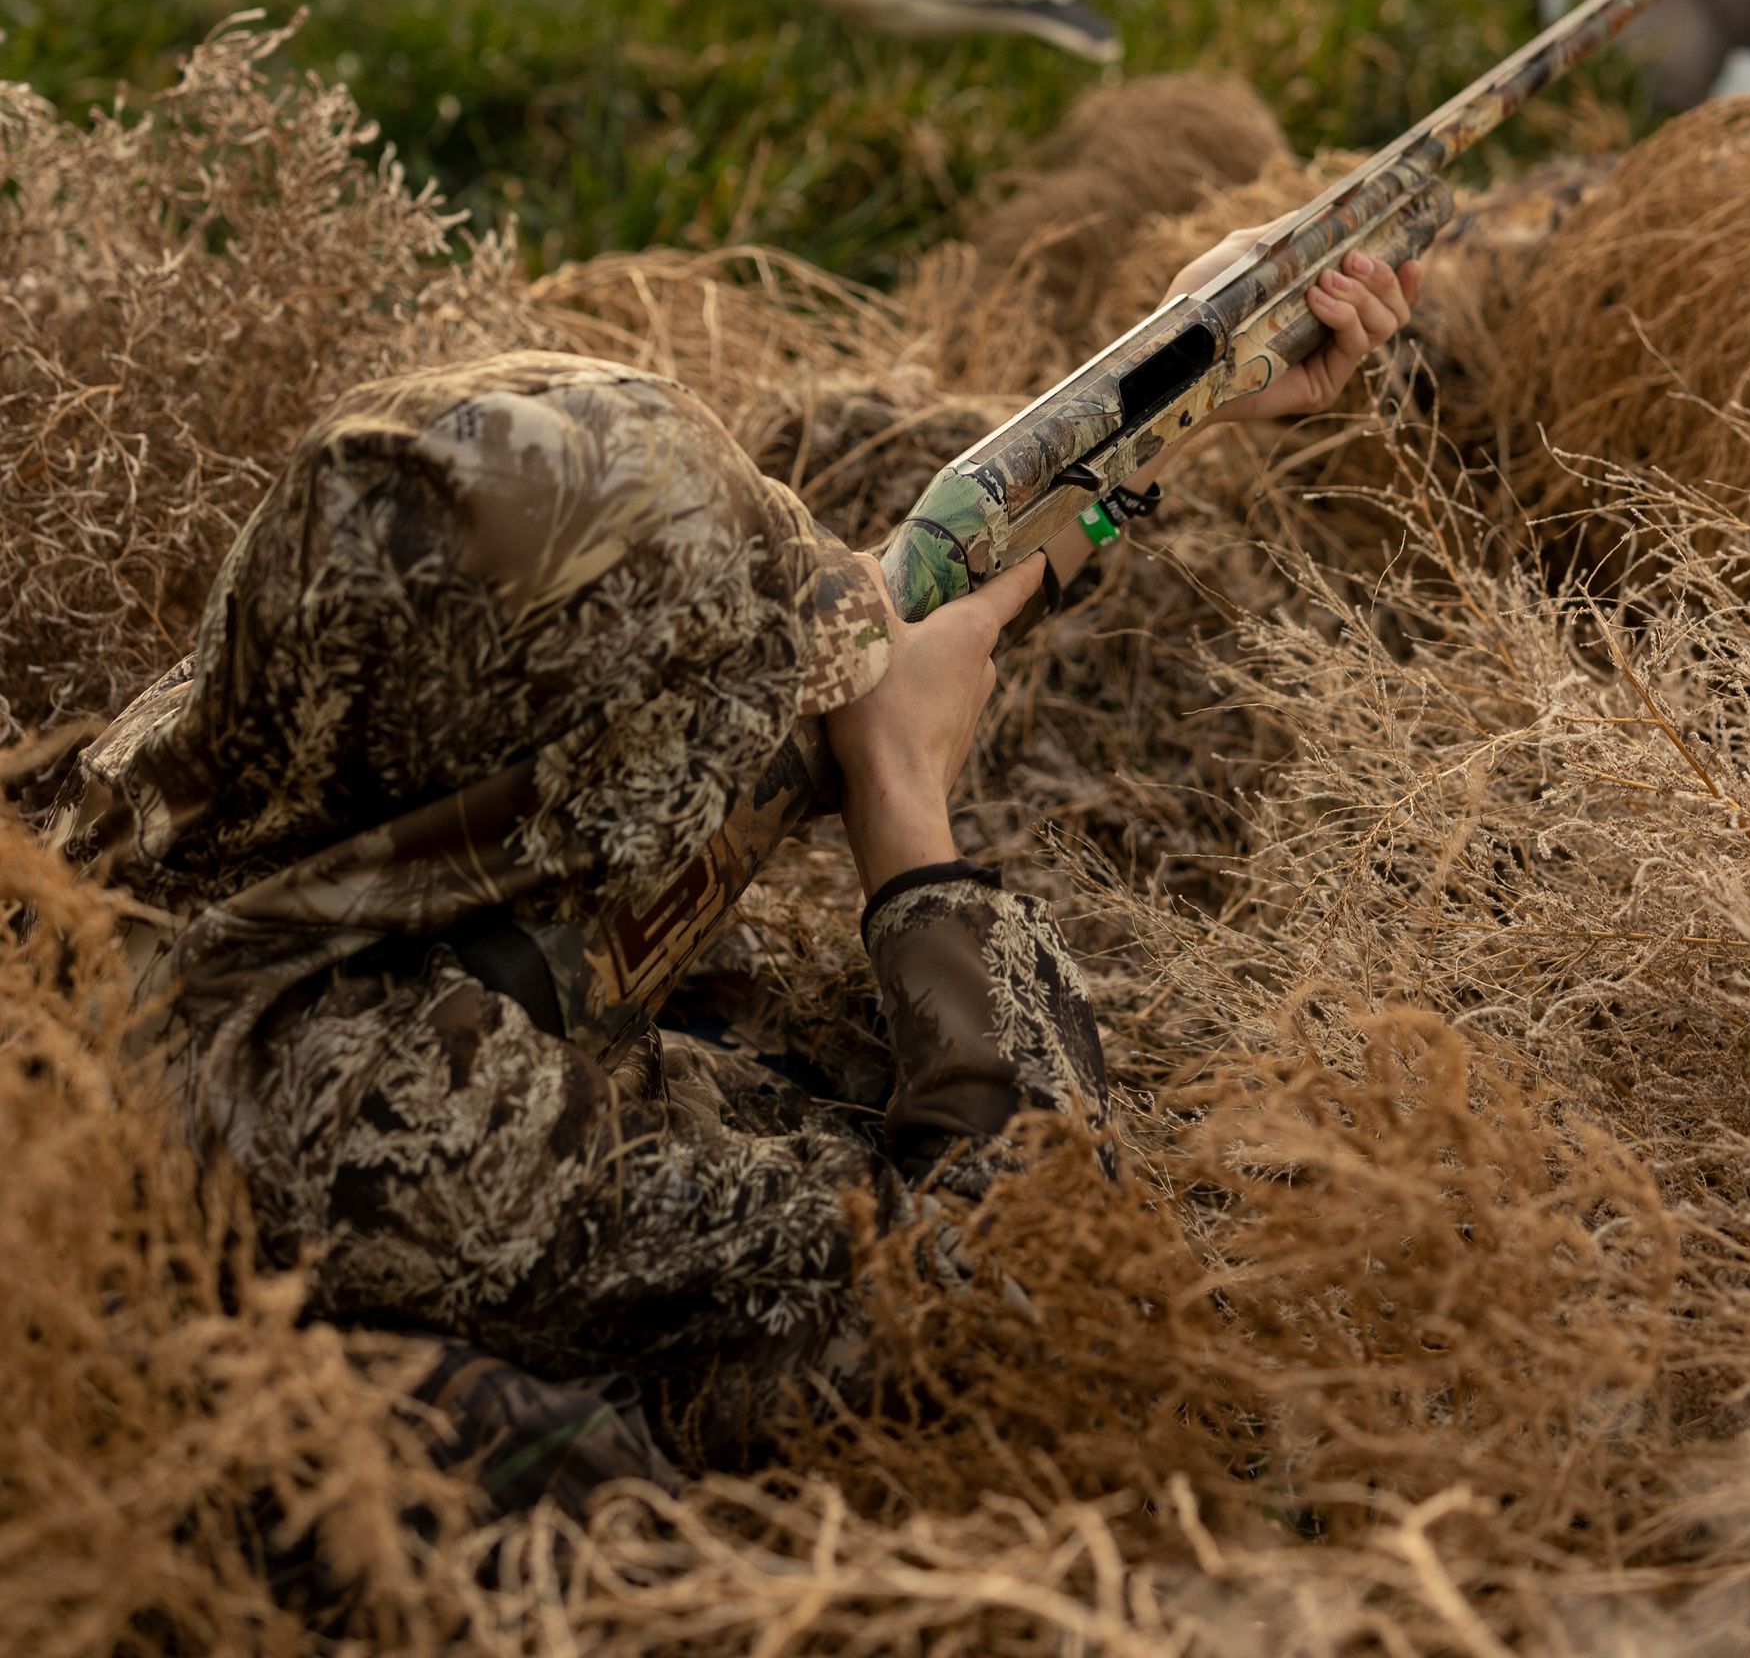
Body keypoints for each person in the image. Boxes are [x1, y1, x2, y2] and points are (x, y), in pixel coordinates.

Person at [52, 235, 1419, 1509]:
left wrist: (1175, 376)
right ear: (592, 785)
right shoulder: (420, 1125)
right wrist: (909, 830)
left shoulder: (303, 703)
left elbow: (702, 693)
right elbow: (1030, 1306)